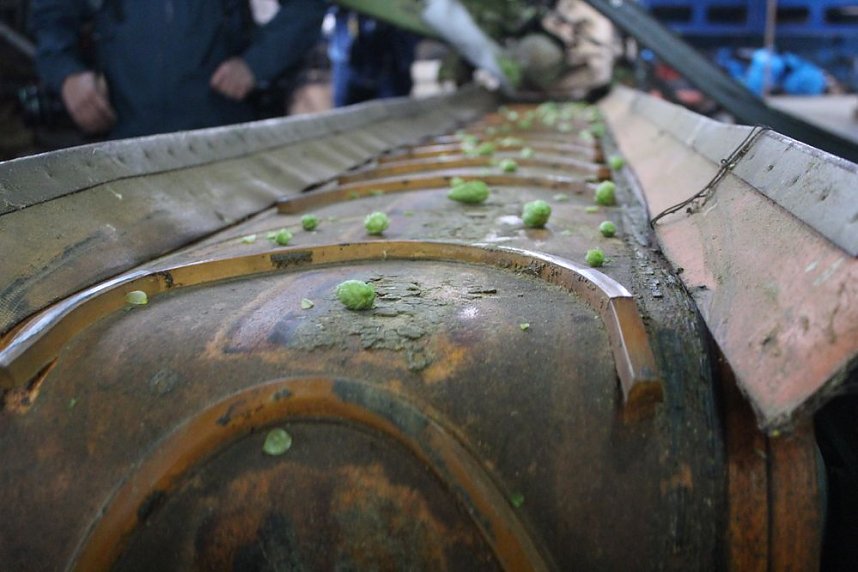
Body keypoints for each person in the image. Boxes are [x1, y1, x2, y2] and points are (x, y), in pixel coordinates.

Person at [30, 0, 328, 139]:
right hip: (124, 139)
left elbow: (307, 8)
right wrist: (67, 75)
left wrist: (255, 64)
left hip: (221, 135)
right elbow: (51, 17)